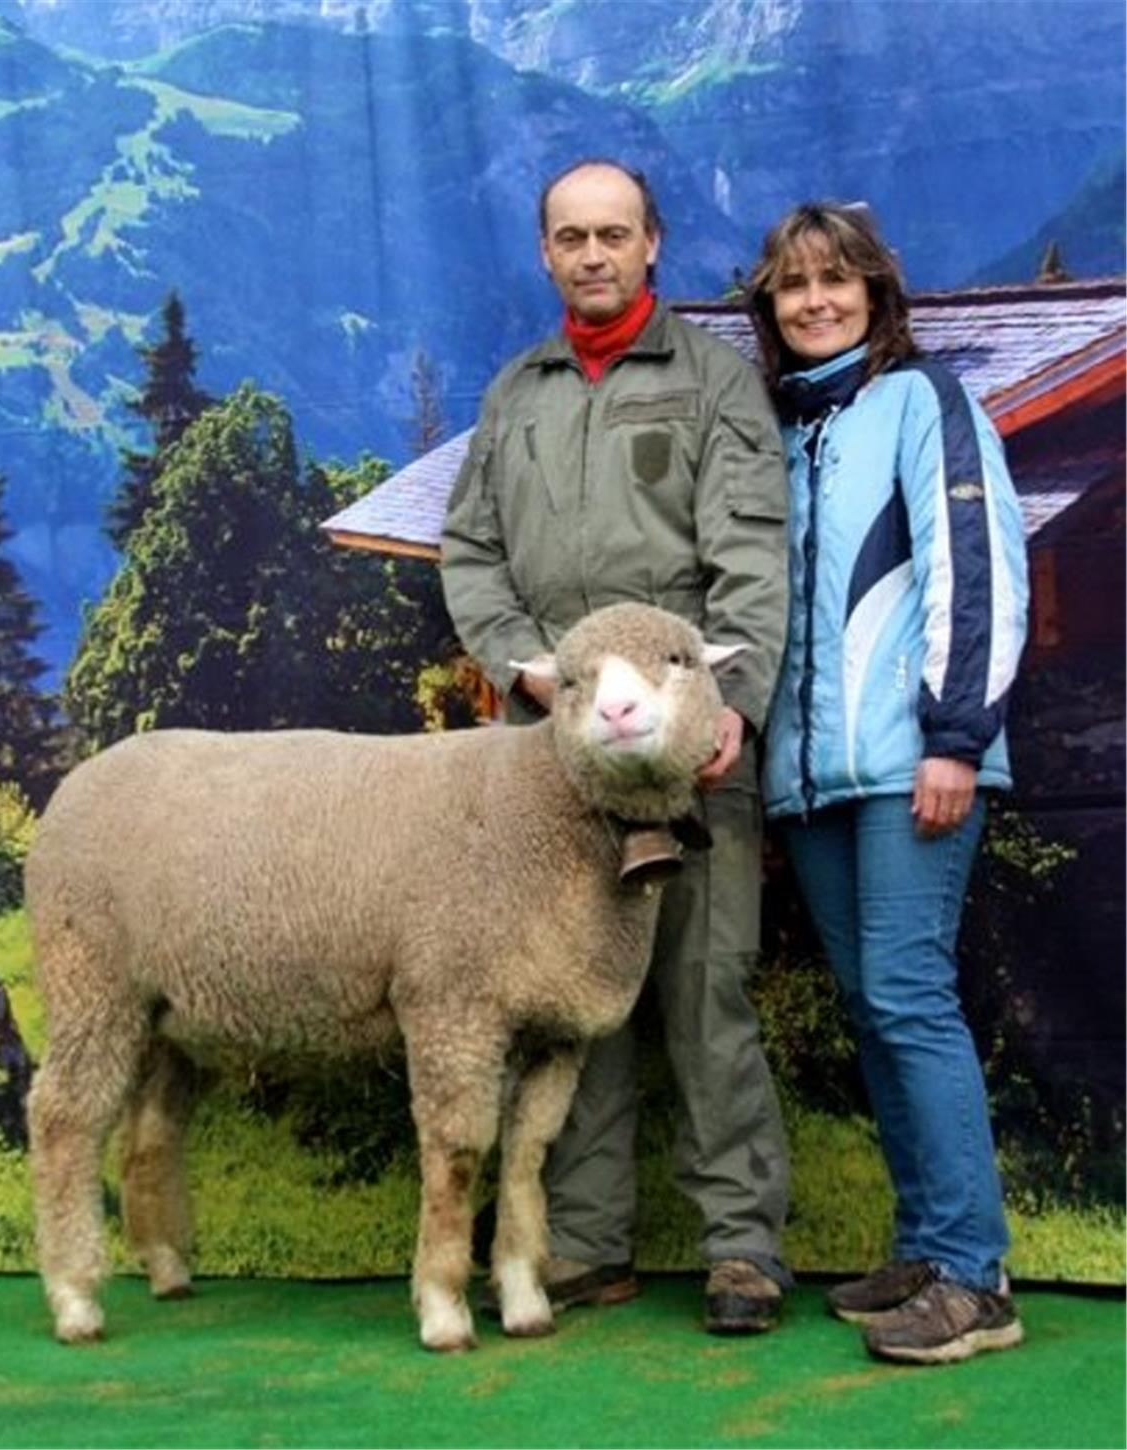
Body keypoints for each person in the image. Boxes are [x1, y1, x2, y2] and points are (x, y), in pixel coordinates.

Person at [440, 158, 792, 1334]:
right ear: (544, 253)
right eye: (570, 237)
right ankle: (585, 1243)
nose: (592, 254)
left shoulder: (713, 384)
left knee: (701, 992)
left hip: (683, 756)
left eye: (614, 234)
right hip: (551, 760)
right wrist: (523, 671)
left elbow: (748, 560)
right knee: (565, 998)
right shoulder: (514, 395)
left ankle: (740, 1244)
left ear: (653, 245)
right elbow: (471, 554)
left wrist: (731, 706)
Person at [747, 201, 1030, 1364]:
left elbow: (981, 568)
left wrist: (955, 738)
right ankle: (926, 1243)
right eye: (791, 286)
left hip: (913, 762)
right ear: (767, 307)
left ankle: (976, 1277)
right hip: (811, 783)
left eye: (835, 281)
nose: (814, 301)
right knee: (875, 1008)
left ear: (875, 292)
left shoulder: (926, 402)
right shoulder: (781, 428)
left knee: (910, 996)